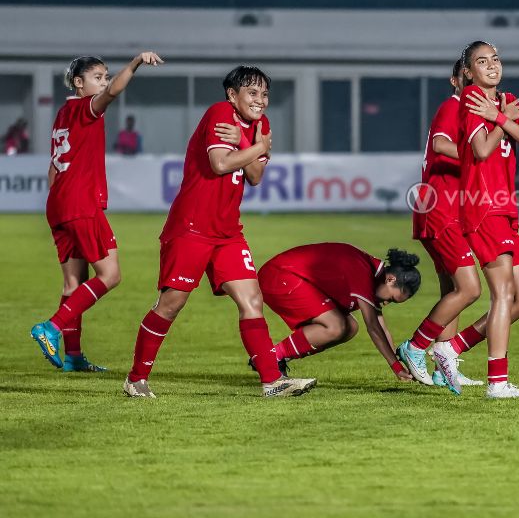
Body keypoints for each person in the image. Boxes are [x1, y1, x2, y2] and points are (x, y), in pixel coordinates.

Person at [122, 65, 315, 398]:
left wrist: (248, 143)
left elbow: (254, 176)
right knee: (171, 303)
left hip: (227, 232)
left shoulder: (260, 125)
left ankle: (272, 382)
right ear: (232, 95)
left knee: (252, 300)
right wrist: (260, 146)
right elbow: (221, 164)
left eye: (265, 94)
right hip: (191, 227)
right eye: (252, 93)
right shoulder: (220, 113)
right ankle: (136, 378)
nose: (261, 101)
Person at [413, 41, 519, 399]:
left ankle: (451, 348)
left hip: (505, 207)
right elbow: (482, 150)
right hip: (482, 207)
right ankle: (497, 383)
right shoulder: (469, 101)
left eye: (496, 59)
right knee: (499, 293)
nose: (492, 66)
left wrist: (502, 117)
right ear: (467, 72)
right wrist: (503, 121)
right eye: (482, 61)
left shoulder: (505, 100)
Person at [29, 53, 163, 372]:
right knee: (111, 274)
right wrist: (134, 64)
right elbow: (113, 93)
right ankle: (51, 327)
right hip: (80, 204)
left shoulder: (64, 112)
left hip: (59, 203)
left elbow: (52, 166)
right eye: (98, 77)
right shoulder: (85, 108)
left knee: (74, 284)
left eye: (105, 76)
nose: (104, 82)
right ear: (79, 83)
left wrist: (60, 200)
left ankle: (73, 357)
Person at [259, 244, 419, 381]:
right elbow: (373, 326)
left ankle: (275, 358)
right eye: (391, 299)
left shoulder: (374, 275)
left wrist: (400, 365)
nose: (386, 303)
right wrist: (395, 366)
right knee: (335, 326)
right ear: (390, 279)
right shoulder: (362, 270)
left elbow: (383, 328)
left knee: (350, 327)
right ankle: (271, 358)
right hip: (280, 275)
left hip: (291, 277)